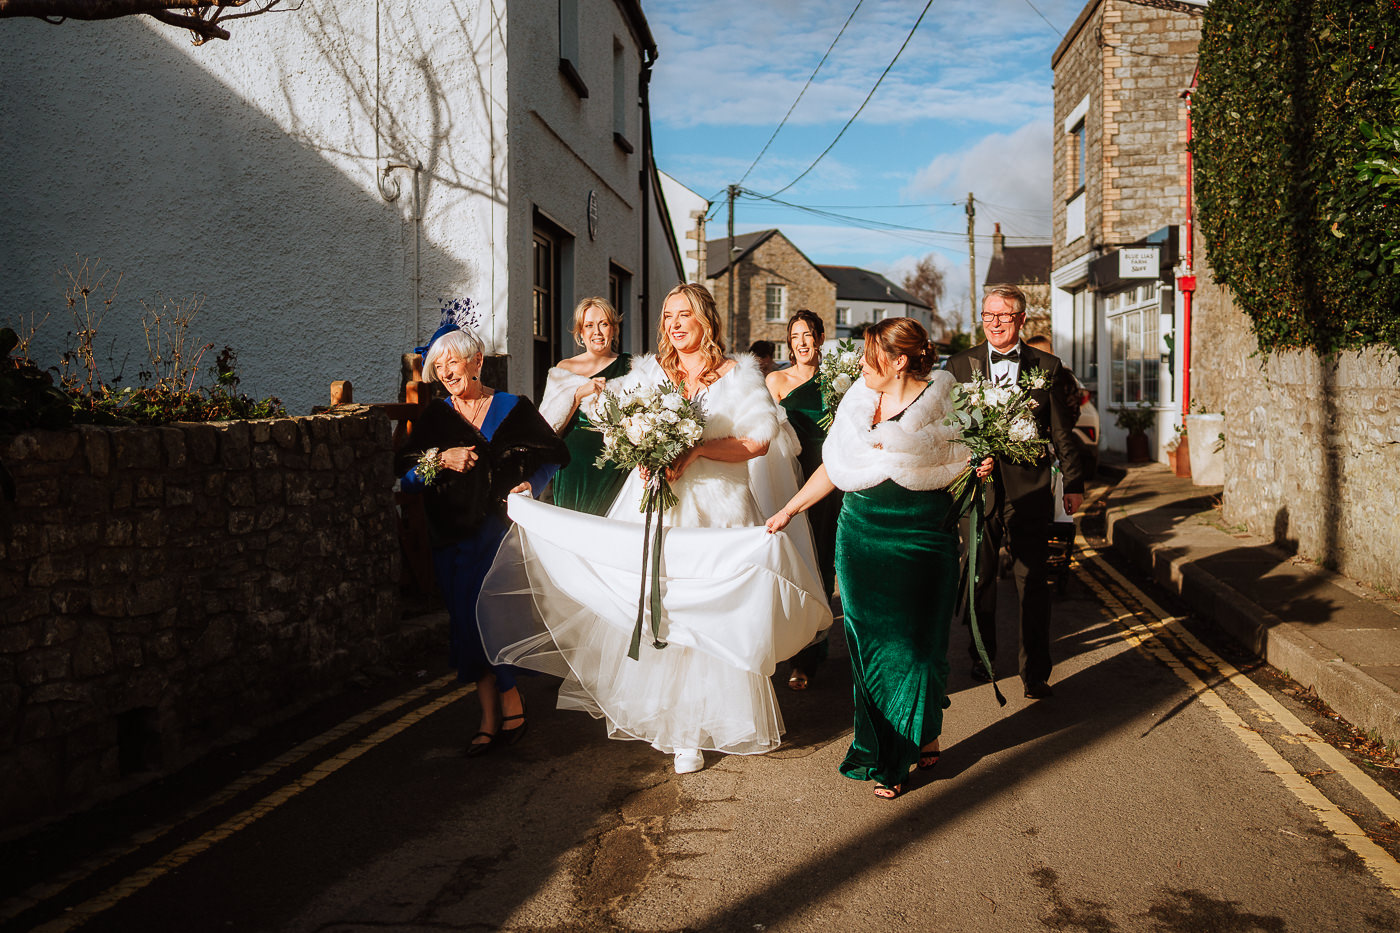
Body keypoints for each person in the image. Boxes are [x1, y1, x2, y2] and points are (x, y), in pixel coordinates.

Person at [477, 283, 831, 774]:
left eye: (684, 314)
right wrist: (637, 455)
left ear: (705, 319)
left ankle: (715, 715)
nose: (674, 323)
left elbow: (756, 442)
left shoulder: (737, 374)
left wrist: (699, 449)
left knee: (708, 608)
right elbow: (613, 425)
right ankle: (682, 726)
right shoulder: (648, 373)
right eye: (667, 316)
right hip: (655, 506)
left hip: (717, 506)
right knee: (659, 604)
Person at [766, 318, 992, 799]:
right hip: (861, 537)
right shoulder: (856, 401)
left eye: (870, 359)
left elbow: (965, 461)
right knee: (873, 652)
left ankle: (923, 729)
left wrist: (980, 466)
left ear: (899, 361)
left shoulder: (948, 402)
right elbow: (834, 465)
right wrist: (789, 509)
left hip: (924, 539)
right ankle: (889, 756)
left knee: (919, 650)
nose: (861, 368)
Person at [398, 320, 569, 756]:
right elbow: (408, 478)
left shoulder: (514, 407)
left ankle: (504, 705)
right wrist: (442, 458)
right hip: (451, 537)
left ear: (476, 361)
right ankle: (492, 712)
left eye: (452, 362)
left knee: (492, 621)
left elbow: (554, 456)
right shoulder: (436, 417)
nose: (445, 372)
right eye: (438, 366)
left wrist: (531, 484)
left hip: (499, 535)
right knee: (465, 624)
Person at [944, 285, 1086, 699]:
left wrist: (1073, 483)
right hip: (978, 488)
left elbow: (1061, 431)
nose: (994, 324)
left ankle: (1036, 671)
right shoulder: (959, 365)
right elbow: (949, 429)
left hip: (1030, 489)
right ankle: (981, 654)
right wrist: (970, 460)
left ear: (1022, 319)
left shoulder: (1048, 366)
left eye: (1003, 316)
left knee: (1033, 579)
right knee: (979, 576)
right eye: (988, 316)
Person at [766, 309, 838, 690]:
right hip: (790, 479)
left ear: (821, 338)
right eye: (796, 336)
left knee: (824, 561)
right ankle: (794, 646)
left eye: (809, 334)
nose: (803, 342)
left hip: (830, 478)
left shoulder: (839, 381)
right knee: (795, 563)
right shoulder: (776, 381)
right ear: (789, 343)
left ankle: (812, 649)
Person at [538, 297, 632, 515]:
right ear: (580, 332)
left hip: (614, 467)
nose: (597, 332)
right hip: (573, 467)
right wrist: (579, 394)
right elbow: (548, 427)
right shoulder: (564, 369)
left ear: (614, 329)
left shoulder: (630, 366)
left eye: (604, 324)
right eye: (589, 325)